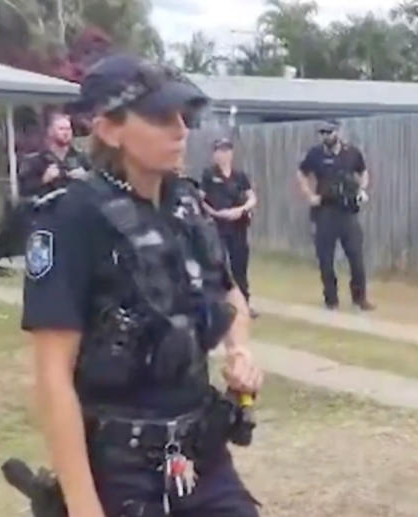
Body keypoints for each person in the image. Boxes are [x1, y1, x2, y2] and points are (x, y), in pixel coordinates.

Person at [21, 54, 264, 517]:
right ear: (109, 129)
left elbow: (230, 294)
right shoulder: (69, 218)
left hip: (201, 454)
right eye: (159, 117)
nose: (180, 130)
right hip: (120, 470)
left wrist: (240, 352)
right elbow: (53, 376)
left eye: (183, 116)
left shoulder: (187, 204)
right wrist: (84, 506)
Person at [296, 119, 374, 311]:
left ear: (337, 132)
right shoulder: (315, 154)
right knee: (326, 259)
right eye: (322, 133)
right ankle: (331, 299)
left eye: (329, 132)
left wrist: (362, 189)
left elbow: (363, 172)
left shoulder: (351, 153)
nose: (325, 136)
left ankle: (360, 298)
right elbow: (301, 173)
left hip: (347, 211)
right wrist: (309, 195)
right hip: (325, 211)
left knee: (356, 256)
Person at [201, 138, 258, 316]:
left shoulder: (239, 175)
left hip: (238, 226)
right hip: (217, 226)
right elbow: (200, 199)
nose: (223, 154)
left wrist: (241, 210)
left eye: (226, 150)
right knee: (219, 265)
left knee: (240, 266)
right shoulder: (209, 174)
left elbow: (252, 198)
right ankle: (221, 306)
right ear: (214, 154)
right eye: (219, 151)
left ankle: (244, 305)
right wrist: (216, 213)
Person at [18, 112, 91, 200]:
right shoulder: (35, 161)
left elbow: (98, 186)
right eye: (61, 129)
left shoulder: (82, 158)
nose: (66, 133)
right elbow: (24, 191)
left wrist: (86, 178)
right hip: (48, 209)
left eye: (68, 129)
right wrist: (44, 180)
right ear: (50, 132)